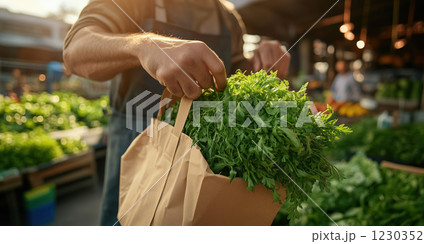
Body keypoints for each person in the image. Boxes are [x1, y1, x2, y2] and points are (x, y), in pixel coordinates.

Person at [63, 0, 290, 225]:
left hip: (204, 162)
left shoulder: (227, 18)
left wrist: (258, 64)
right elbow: (75, 50)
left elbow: (229, 75)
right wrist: (144, 45)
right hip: (137, 143)